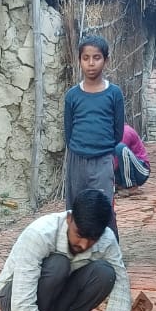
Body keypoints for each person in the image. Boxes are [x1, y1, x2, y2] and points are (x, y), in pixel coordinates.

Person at [0, 188, 130, 311]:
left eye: (92, 239)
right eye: (79, 234)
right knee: (58, 264)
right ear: (69, 218)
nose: (84, 245)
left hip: (55, 301)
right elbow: (21, 305)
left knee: (105, 273)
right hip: (11, 300)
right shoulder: (41, 233)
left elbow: (121, 293)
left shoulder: (107, 239)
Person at [64, 34, 125, 234]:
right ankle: (76, 248)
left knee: (103, 208)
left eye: (96, 58)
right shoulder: (72, 95)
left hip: (103, 161)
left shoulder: (114, 93)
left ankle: (110, 249)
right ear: (79, 60)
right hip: (76, 161)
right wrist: (80, 149)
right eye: (86, 58)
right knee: (76, 208)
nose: (91, 63)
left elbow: (118, 131)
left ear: (106, 60)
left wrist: (103, 149)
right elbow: (68, 131)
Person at [114, 124, 151, 191]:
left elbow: (116, 160)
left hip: (141, 171)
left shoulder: (125, 131)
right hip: (123, 170)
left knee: (121, 148)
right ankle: (120, 184)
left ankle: (130, 186)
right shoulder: (111, 133)